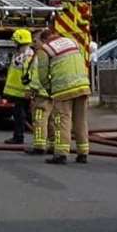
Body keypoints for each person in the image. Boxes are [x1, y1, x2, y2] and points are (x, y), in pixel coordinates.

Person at [37, 22, 91, 164]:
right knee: (81, 120)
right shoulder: (72, 42)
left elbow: (42, 74)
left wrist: (48, 89)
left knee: (62, 120)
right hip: (83, 85)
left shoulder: (45, 49)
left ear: (44, 39)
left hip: (63, 89)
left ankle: (61, 154)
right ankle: (83, 152)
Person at [1, 28, 46, 148]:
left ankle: (19, 137)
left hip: (22, 91)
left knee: (20, 115)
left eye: (16, 41)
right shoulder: (22, 54)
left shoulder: (27, 55)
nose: (14, 43)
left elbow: (29, 74)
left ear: (21, 41)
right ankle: (19, 136)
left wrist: (28, 89)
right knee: (19, 115)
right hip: (18, 91)